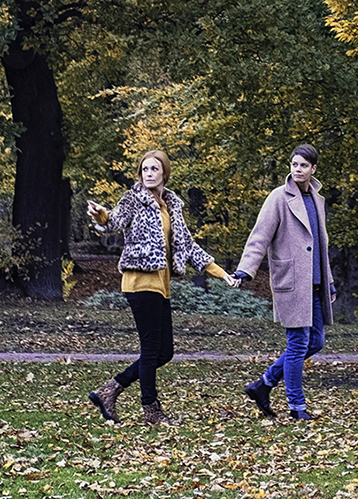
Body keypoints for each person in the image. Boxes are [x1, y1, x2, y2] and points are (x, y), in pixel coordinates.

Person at [84, 148, 237, 425]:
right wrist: (101, 215)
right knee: (151, 348)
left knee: (165, 352)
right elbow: (114, 221)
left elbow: (187, 245)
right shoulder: (133, 199)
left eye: (154, 169)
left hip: (161, 284)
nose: (149, 173)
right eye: (145, 169)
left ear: (165, 173)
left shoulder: (172, 205)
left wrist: (220, 273)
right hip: (139, 281)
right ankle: (151, 411)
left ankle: (110, 390)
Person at [233, 144, 335, 421]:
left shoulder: (317, 199)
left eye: (304, 165)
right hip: (292, 282)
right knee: (298, 343)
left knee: (316, 341)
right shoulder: (279, 197)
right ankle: (296, 407)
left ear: (313, 169)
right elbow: (260, 237)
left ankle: (264, 384)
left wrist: (329, 281)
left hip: (315, 285)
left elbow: (321, 246)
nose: (298, 169)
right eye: (294, 164)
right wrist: (245, 270)